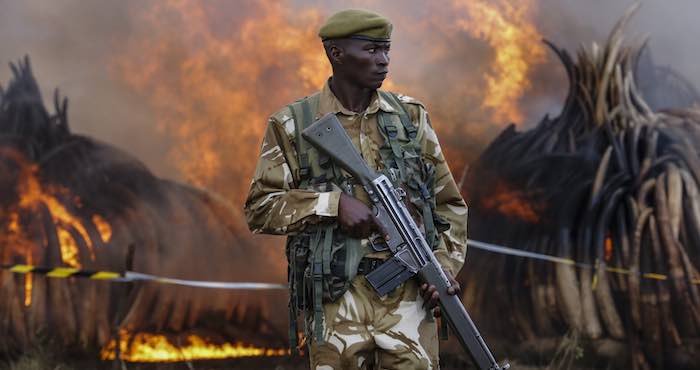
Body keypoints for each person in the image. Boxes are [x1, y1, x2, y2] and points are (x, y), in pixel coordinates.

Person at [244, 9, 468, 370]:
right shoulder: (293, 124)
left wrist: (441, 268)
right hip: (335, 299)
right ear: (336, 54)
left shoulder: (410, 118)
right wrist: (332, 204)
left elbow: (449, 204)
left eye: (387, 50)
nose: (383, 61)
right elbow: (260, 208)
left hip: (409, 298)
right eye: (372, 50)